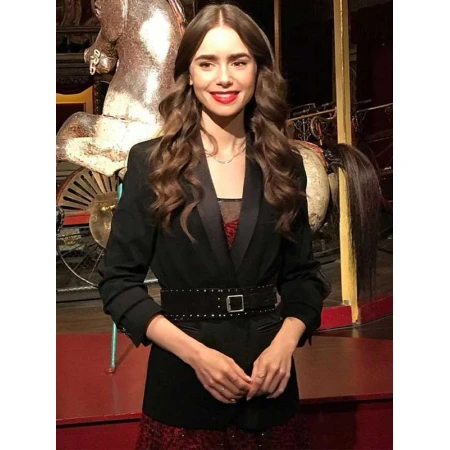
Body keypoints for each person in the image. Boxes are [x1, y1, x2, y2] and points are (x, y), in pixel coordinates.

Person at [98, 3, 330, 449]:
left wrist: (284, 344)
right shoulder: (151, 162)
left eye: (238, 62)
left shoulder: (285, 164)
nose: (224, 78)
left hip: (269, 391)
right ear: (188, 73)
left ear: (258, 71)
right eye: (207, 63)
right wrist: (197, 356)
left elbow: (303, 277)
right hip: (182, 389)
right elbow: (118, 284)